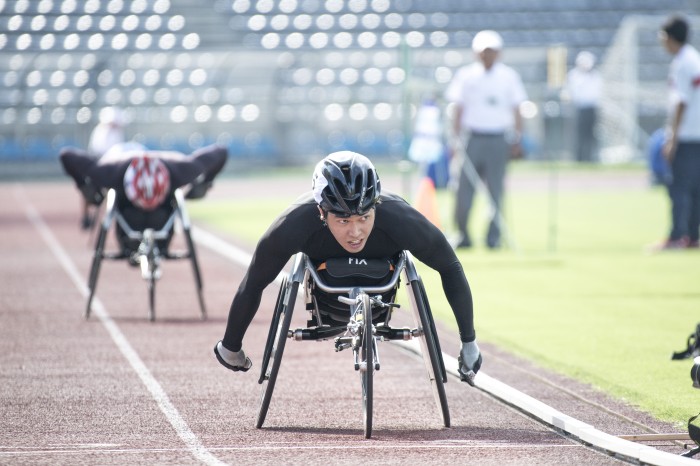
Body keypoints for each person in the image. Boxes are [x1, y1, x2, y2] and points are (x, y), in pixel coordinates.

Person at [214, 151, 483, 385]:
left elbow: (450, 267)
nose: (355, 232)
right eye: (343, 220)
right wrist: (232, 347)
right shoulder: (293, 225)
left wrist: (469, 342)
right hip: (324, 301)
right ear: (321, 212)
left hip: (382, 298)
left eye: (364, 217)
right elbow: (253, 282)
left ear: (376, 205)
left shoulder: (402, 219)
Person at [60, 142, 228, 257]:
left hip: (165, 175)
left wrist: (206, 183)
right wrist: (86, 187)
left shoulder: (182, 170)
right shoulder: (109, 172)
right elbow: (66, 155)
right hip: (121, 172)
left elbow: (222, 151)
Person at [445, 30, 527, 249]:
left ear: (498, 53)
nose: (487, 55)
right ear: (476, 53)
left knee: (496, 191)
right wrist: (455, 138)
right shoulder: (466, 75)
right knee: (463, 190)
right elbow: (458, 108)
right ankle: (463, 235)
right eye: (483, 52)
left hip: (499, 138)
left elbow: (517, 108)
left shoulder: (508, 76)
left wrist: (517, 138)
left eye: (491, 51)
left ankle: (493, 238)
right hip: (472, 137)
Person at [657, 15, 700, 250]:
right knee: (695, 189)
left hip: (687, 134)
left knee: (679, 187)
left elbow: (681, 103)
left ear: (669, 37)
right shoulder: (694, 58)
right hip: (698, 133)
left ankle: (677, 236)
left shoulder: (683, 63)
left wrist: (672, 138)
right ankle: (693, 236)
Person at [73, 107, 127, 230]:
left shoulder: (117, 133)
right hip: (102, 168)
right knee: (87, 187)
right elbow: (98, 152)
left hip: (113, 168)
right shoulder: (101, 132)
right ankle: (86, 216)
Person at [565, 51, 603, 163]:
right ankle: (579, 158)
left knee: (591, 135)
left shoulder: (595, 76)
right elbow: (573, 93)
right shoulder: (574, 75)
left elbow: (597, 93)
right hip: (580, 109)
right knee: (579, 135)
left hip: (592, 108)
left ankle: (591, 157)